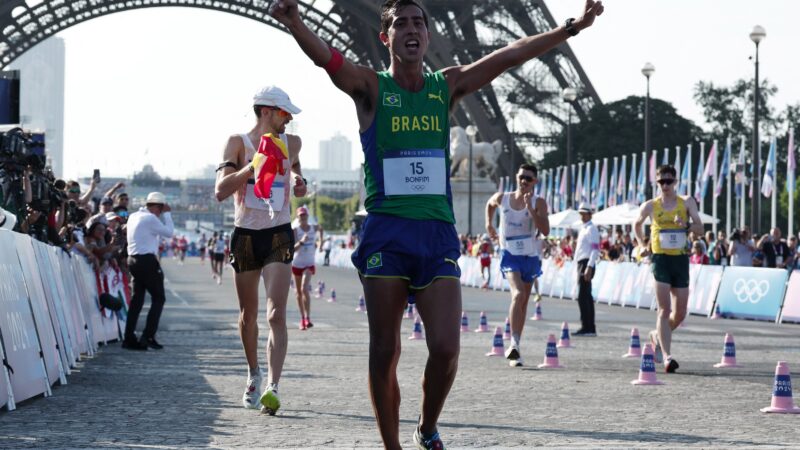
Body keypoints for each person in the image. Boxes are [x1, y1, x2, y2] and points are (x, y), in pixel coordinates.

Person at [271, 0, 603, 446]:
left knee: (447, 348)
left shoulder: (445, 86)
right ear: (386, 37)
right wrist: (295, 21)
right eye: (401, 24)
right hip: (388, 232)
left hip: (436, 235)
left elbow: (510, 54)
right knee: (385, 350)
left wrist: (570, 27)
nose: (411, 29)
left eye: (418, 23)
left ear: (428, 35)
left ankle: (426, 426)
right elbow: (330, 60)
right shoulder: (371, 87)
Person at [214, 85, 307, 415]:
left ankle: (273, 385)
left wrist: (300, 182)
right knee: (248, 315)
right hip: (246, 235)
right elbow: (221, 191)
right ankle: (253, 372)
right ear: (267, 111)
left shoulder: (292, 143)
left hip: (279, 233)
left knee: (276, 314)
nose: (290, 119)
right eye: (285, 113)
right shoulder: (237, 142)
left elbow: (296, 173)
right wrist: (252, 167)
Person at [633, 165, 703, 373]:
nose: (665, 185)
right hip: (660, 259)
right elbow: (636, 224)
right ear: (657, 183)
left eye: (668, 181)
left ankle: (657, 336)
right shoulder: (651, 206)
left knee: (680, 314)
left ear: (675, 182)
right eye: (661, 182)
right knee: (664, 309)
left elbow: (700, 229)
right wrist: (642, 245)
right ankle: (667, 356)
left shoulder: (687, 202)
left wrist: (687, 226)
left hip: (680, 260)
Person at [485, 164, 549, 367]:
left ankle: (516, 347)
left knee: (523, 303)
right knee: (518, 294)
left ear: (535, 182)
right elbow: (489, 204)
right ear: (516, 176)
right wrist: (489, 223)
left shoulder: (539, 202)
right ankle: (513, 343)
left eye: (528, 179)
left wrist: (531, 209)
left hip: (529, 255)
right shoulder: (502, 197)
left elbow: (545, 230)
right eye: (522, 177)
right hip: (509, 254)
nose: (524, 181)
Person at [124, 191, 174, 351]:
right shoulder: (151, 218)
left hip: (132, 259)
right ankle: (148, 336)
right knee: (159, 298)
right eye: (161, 209)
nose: (161, 212)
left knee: (137, 300)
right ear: (157, 207)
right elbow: (169, 233)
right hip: (146, 260)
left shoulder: (133, 216)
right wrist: (167, 215)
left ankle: (129, 337)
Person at [573, 203, 600, 336]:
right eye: (581, 213)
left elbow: (595, 250)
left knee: (583, 296)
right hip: (582, 263)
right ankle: (589, 326)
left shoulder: (591, 229)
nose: (582, 216)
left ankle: (587, 326)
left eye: (584, 213)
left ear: (590, 214)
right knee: (585, 296)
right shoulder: (583, 228)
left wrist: (589, 266)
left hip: (586, 263)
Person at [292, 206, 319, 330]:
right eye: (300, 216)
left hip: (309, 263)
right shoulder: (295, 230)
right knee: (298, 292)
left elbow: (322, 229)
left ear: (307, 216)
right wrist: (302, 241)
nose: (303, 217)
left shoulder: (313, 228)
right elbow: (293, 249)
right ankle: (302, 318)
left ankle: (308, 317)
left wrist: (321, 242)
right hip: (297, 263)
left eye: (304, 215)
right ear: (298, 217)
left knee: (304, 288)